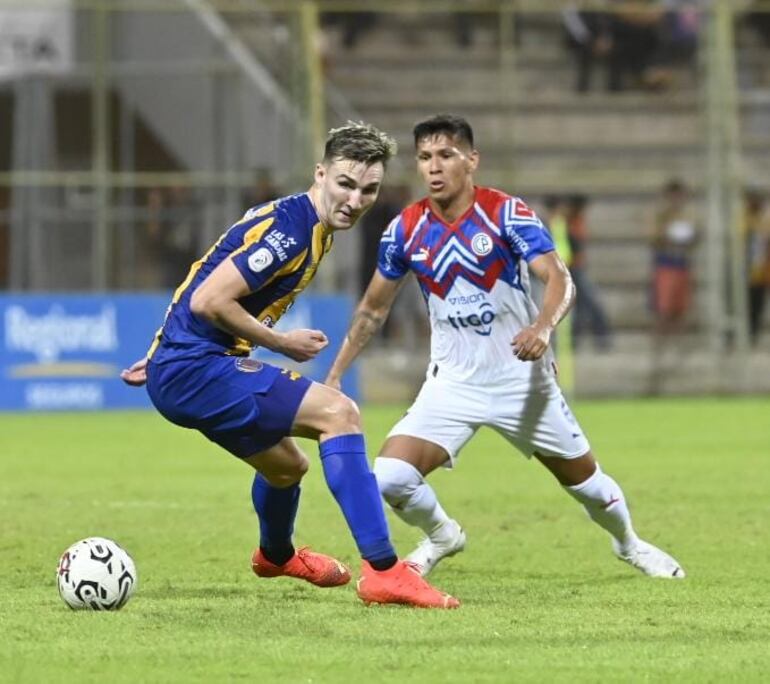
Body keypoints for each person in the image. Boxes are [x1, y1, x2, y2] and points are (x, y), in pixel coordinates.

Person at [325, 114, 684, 580]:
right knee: (391, 477)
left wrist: (543, 326)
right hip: (452, 383)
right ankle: (441, 535)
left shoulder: (504, 214)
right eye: (425, 158)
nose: (434, 167)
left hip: (521, 380)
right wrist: (335, 376)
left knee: (590, 489)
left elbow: (559, 277)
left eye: (446, 156)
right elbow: (373, 309)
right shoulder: (405, 231)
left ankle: (629, 543)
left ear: (471, 160)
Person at [120, 122, 458, 609]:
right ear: (320, 174)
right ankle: (385, 572)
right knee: (339, 414)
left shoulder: (308, 225)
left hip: (185, 366)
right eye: (345, 183)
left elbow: (203, 273)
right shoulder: (291, 233)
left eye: (369, 189)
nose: (356, 200)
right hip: (197, 368)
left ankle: (276, 555)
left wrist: (161, 353)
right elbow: (210, 300)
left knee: (285, 467)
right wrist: (280, 342)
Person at [650, 179, 698, 343]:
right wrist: (666, 235)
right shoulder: (661, 217)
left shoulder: (689, 217)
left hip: (683, 265)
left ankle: (679, 346)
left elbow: (695, 240)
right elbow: (653, 239)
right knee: (664, 309)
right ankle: (660, 347)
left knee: (681, 309)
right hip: (666, 266)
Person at [565, 195, 611, 350]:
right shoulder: (568, 223)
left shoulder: (577, 222)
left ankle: (577, 341)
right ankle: (601, 338)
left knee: (581, 307)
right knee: (590, 304)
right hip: (573, 269)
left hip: (578, 267)